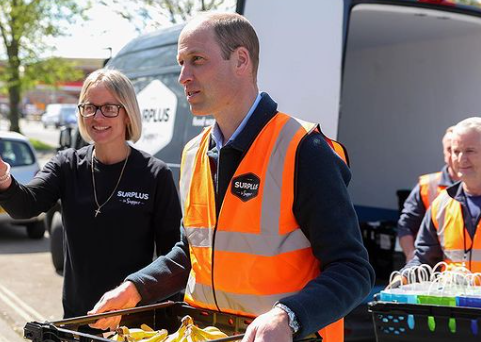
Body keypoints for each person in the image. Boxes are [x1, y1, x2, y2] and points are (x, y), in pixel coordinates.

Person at [89, 13, 374, 342]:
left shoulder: (303, 148)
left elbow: (353, 270)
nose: (183, 76)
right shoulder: (194, 152)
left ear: (241, 60)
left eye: (197, 60)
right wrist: (136, 287)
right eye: (181, 62)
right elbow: (191, 252)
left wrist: (289, 315)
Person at [0, 69, 182, 320]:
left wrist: (170, 324)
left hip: (134, 325)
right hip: (78, 320)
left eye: (109, 108)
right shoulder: (67, 165)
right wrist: (3, 178)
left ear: (127, 113)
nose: (97, 116)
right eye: (90, 107)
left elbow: (171, 258)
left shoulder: (154, 174)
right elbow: (26, 206)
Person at [398, 117, 481, 274]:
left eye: (470, 151)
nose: (461, 159)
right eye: (456, 151)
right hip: (454, 297)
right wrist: (402, 279)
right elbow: (423, 259)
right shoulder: (441, 204)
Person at [397, 126, 459, 261]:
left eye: (459, 149)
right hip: (431, 269)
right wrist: (411, 257)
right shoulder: (427, 185)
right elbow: (406, 226)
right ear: (443, 152)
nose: (456, 155)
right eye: (450, 149)